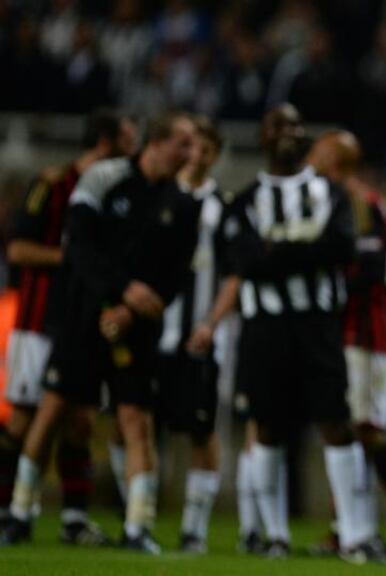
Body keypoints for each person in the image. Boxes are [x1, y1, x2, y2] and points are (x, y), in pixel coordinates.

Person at [3, 112, 199, 554]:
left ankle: (137, 527)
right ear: (157, 141)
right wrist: (117, 294)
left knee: (134, 420)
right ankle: (19, 513)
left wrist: (133, 308)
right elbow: (79, 245)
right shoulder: (102, 179)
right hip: (83, 316)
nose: (191, 154)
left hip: (136, 327)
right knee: (50, 410)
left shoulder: (183, 204)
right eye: (184, 144)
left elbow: (176, 273)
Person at [229, 103, 366, 561]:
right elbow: (246, 261)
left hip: (316, 325)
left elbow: (341, 247)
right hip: (264, 327)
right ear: (263, 137)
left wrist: (277, 249)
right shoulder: (245, 200)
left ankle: (352, 534)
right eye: (278, 125)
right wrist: (304, 246)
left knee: (335, 423)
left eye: (295, 124)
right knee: (266, 425)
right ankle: (275, 535)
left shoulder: (330, 193)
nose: (289, 132)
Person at [0, 110, 137, 546]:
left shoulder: (121, 192)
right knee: (22, 419)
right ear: (105, 141)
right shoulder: (52, 184)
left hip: (83, 323)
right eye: (127, 140)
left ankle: (74, 519)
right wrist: (73, 257)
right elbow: (19, 249)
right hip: (38, 322)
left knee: (79, 421)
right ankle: (7, 510)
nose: (133, 151)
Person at [306, 129, 386, 559]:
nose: (311, 158)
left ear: (338, 159)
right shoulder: (342, 200)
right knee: (345, 428)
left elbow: (367, 270)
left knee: (367, 430)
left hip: (365, 332)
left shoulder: (361, 203)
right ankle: (346, 524)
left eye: (319, 151)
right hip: (346, 333)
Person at [154, 116, 239, 554]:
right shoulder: (159, 194)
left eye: (207, 150)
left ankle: (194, 529)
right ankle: (140, 520)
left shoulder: (222, 206)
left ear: (216, 155)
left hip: (199, 336)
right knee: (136, 423)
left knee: (201, 432)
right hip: (154, 332)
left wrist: (210, 323)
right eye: (192, 147)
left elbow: (233, 276)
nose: (197, 156)